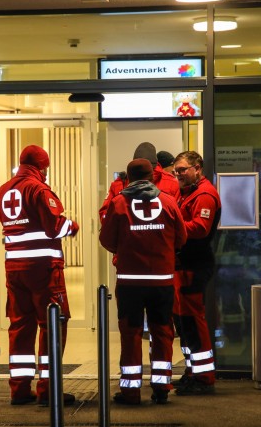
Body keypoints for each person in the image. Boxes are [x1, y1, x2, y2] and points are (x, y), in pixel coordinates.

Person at [0, 144, 80, 406]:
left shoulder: (2, 191)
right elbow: (54, 226)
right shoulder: (38, 188)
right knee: (52, 324)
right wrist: (72, 226)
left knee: (20, 326)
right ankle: (48, 389)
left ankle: (19, 389)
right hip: (43, 269)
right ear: (42, 166)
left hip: (14, 270)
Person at [99, 158, 187, 405]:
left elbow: (106, 240)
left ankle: (131, 392)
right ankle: (161, 387)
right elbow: (181, 237)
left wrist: (126, 248)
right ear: (152, 176)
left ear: (128, 177)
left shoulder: (118, 204)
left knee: (131, 334)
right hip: (162, 281)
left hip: (130, 283)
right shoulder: (168, 202)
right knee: (163, 333)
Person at [171, 150, 222, 396]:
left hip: (195, 265)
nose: (178, 174)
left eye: (182, 170)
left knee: (192, 321)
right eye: (175, 171)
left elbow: (200, 229)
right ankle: (193, 371)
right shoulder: (186, 194)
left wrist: (171, 226)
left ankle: (203, 377)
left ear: (197, 168)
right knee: (184, 324)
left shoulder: (204, 195)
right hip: (184, 266)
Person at [99, 142, 179, 223]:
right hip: (160, 235)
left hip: (128, 235)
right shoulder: (172, 183)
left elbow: (105, 217)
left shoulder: (119, 184)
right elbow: (178, 220)